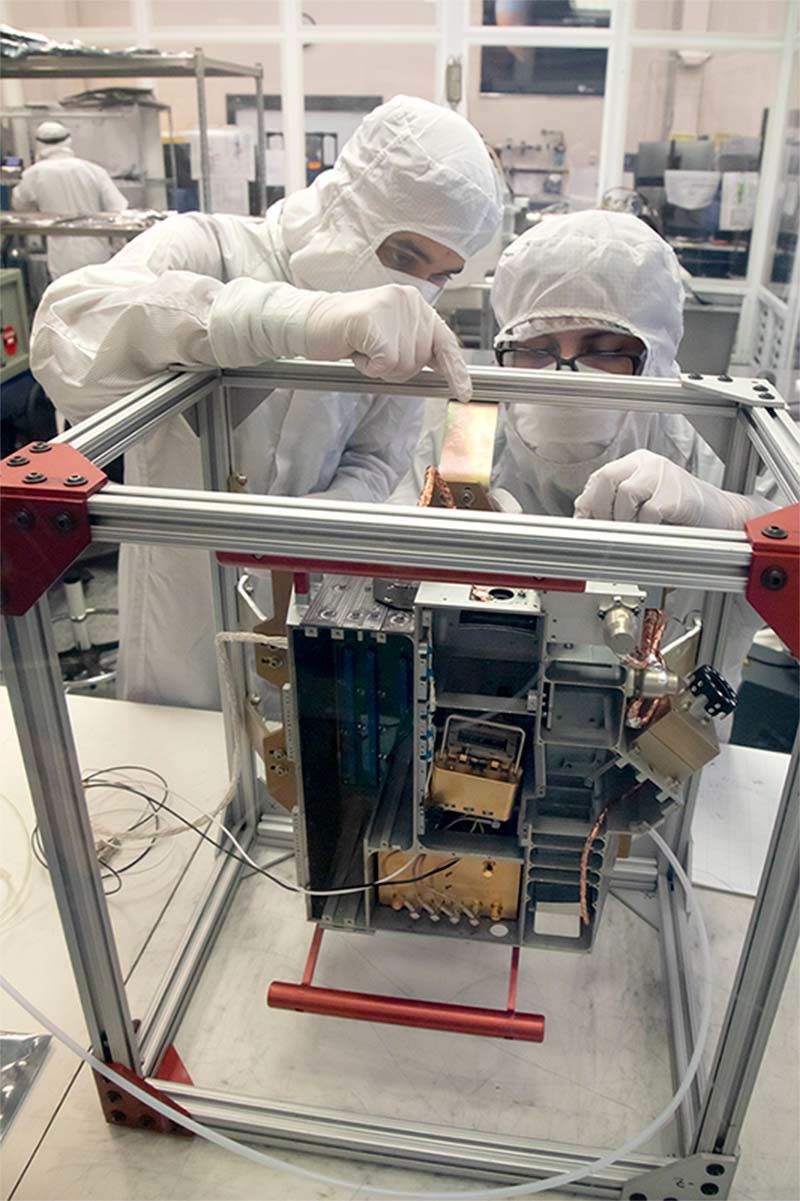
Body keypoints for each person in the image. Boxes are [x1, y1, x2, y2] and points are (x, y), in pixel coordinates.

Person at [31, 96, 503, 708]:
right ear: (349, 203)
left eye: (441, 272)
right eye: (404, 254)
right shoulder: (211, 248)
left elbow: (382, 455)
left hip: (312, 602)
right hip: (183, 602)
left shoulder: (407, 316)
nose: (414, 284)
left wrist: (317, 525)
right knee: (173, 773)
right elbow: (65, 337)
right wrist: (294, 320)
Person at [397, 209, 773, 688]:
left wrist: (727, 516)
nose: (564, 377)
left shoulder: (715, 454)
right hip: (473, 731)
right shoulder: (466, 443)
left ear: (656, 359)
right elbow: (371, 581)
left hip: (668, 750)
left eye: (604, 350)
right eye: (535, 348)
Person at [12, 121, 128, 279]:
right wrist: (118, 245)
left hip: (61, 256)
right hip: (96, 252)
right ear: (68, 140)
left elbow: (20, 205)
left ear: (39, 144)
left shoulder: (34, 174)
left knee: (65, 299)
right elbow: (118, 208)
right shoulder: (93, 170)